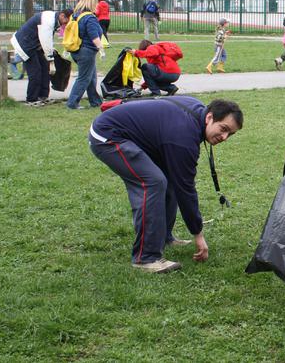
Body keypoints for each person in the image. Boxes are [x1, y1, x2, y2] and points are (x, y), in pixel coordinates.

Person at [89, 97, 243, 273]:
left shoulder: (198, 114)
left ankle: (164, 237)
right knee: (153, 182)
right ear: (209, 117)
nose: (224, 137)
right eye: (223, 129)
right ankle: (146, 258)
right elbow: (186, 190)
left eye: (230, 134)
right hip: (107, 136)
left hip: (133, 135)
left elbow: (180, 183)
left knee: (169, 178)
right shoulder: (183, 137)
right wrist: (198, 234)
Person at [10, 8, 73, 105]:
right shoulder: (48, 21)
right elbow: (45, 40)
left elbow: (48, 39)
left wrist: (50, 53)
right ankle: (31, 99)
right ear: (62, 16)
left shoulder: (54, 18)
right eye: (66, 21)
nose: (66, 24)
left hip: (35, 44)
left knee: (45, 69)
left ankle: (43, 96)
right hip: (25, 44)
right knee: (35, 72)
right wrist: (51, 60)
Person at [66, 0, 105, 109]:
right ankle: (72, 103)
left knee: (91, 77)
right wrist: (101, 49)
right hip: (86, 51)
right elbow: (94, 36)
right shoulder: (90, 18)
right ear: (92, 3)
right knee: (83, 78)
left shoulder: (76, 16)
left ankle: (95, 101)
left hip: (76, 50)